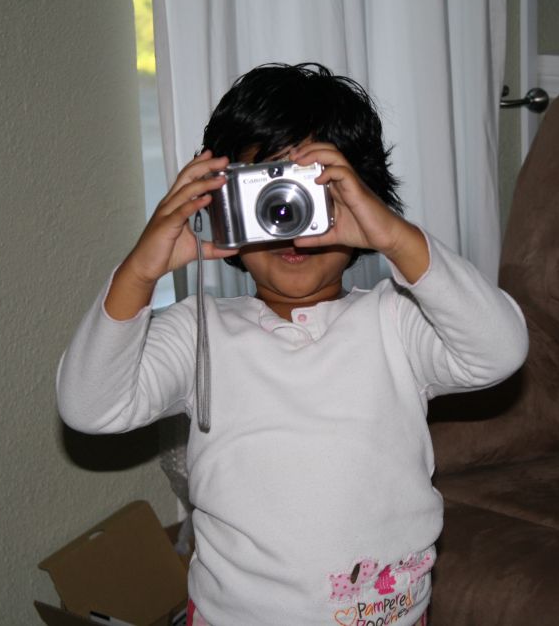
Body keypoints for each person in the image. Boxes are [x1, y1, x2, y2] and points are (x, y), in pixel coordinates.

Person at [56, 63, 528, 626]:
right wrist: (140, 270)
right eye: (268, 196)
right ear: (223, 208)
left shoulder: (397, 323)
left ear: (362, 202)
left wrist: (396, 237)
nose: (289, 222)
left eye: (312, 193)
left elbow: (499, 350)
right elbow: (90, 406)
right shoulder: (199, 334)